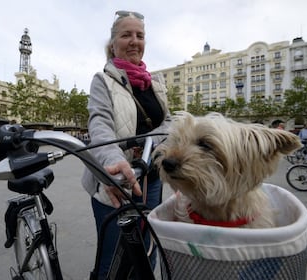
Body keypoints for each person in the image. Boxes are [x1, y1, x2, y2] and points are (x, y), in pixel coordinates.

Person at [81, 10, 171, 278]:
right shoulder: (103, 80)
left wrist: (149, 142)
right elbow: (99, 124)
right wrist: (113, 161)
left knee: (148, 247)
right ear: (113, 44)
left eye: (140, 35)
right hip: (116, 180)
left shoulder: (156, 83)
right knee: (113, 258)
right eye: (126, 34)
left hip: (152, 178)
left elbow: (167, 123)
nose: (134, 41)